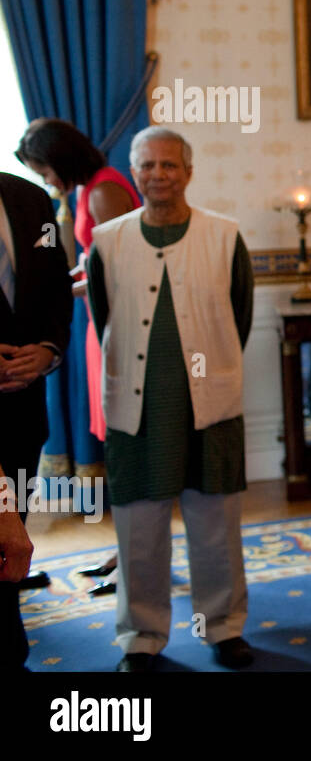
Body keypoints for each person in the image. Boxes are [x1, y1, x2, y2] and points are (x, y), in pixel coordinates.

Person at [86, 127, 255, 672]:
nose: (158, 175)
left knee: (215, 526)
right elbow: (102, 316)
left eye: (169, 165)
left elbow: (240, 317)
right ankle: (141, 636)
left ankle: (223, 628)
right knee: (139, 528)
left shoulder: (225, 236)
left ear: (188, 171)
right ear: (133, 174)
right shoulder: (107, 241)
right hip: (138, 412)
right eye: (146, 166)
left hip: (210, 409)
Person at [16, 118, 141, 595]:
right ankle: (125, 551)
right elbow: (96, 261)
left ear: (61, 159)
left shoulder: (105, 190)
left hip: (115, 326)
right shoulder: (91, 188)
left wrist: (65, 287)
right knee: (115, 439)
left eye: (45, 171)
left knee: (123, 441)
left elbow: (122, 270)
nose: (46, 181)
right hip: (96, 323)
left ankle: (133, 557)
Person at [0, 172, 72, 669]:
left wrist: (48, 350)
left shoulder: (29, 198)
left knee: (12, 539)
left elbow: (56, 290)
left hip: (22, 412)